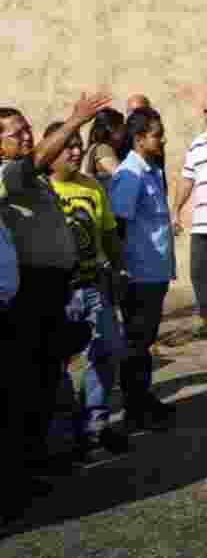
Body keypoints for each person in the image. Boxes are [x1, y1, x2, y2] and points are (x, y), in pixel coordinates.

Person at [0, 93, 108, 523]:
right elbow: (38, 158)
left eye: (28, 129)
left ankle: (33, 467)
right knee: (24, 388)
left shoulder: (32, 175)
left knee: (44, 383)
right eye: (17, 133)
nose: (27, 136)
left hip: (53, 290)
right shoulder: (10, 173)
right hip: (30, 293)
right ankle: (18, 479)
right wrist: (76, 121)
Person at [43, 122, 130, 462]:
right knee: (57, 364)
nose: (76, 151)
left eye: (79, 144)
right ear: (50, 151)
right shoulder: (40, 189)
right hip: (56, 292)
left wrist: (120, 269)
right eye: (68, 146)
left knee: (106, 352)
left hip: (94, 285)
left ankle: (95, 427)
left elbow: (108, 234)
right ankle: (63, 435)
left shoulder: (92, 187)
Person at [109, 107, 177, 432]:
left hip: (154, 270)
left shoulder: (151, 169)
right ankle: (135, 407)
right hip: (139, 273)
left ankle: (143, 398)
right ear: (139, 139)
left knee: (145, 340)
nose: (162, 140)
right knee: (136, 341)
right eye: (156, 135)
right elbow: (118, 222)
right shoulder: (130, 173)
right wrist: (122, 269)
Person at [173, 92, 207, 337]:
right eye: (206, 112)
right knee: (198, 272)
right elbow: (187, 179)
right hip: (202, 222)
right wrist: (176, 210)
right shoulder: (197, 144)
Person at [82, 108, 126, 193]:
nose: (125, 131)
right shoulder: (103, 149)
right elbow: (124, 179)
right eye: (122, 127)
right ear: (111, 129)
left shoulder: (96, 146)